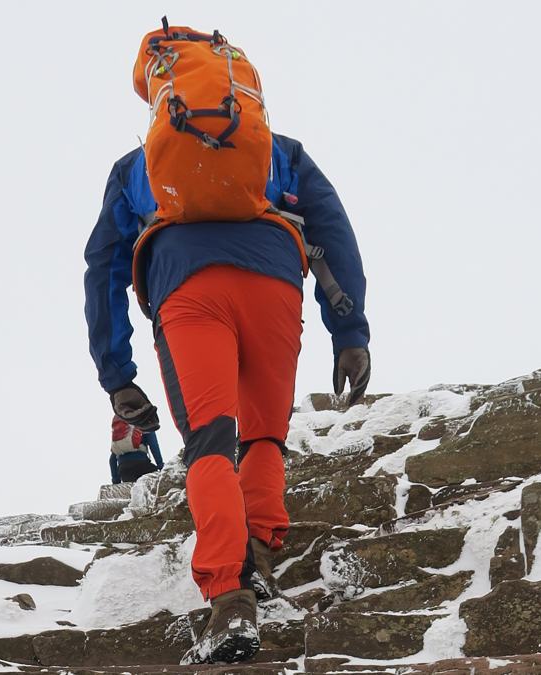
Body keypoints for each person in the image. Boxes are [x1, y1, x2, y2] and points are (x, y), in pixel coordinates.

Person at [83, 22, 370, 665]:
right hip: (274, 285)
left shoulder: (136, 169)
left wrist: (117, 374)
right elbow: (333, 235)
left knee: (210, 436)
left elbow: (102, 269)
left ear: (158, 95)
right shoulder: (279, 151)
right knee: (263, 432)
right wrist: (349, 330)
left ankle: (230, 593)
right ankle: (262, 551)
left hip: (188, 290)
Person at [109, 416, 164, 484]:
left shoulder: (120, 426)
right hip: (142, 465)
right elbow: (154, 445)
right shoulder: (144, 418)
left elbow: (112, 459)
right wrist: (161, 466)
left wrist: (116, 480)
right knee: (155, 485)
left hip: (124, 470)